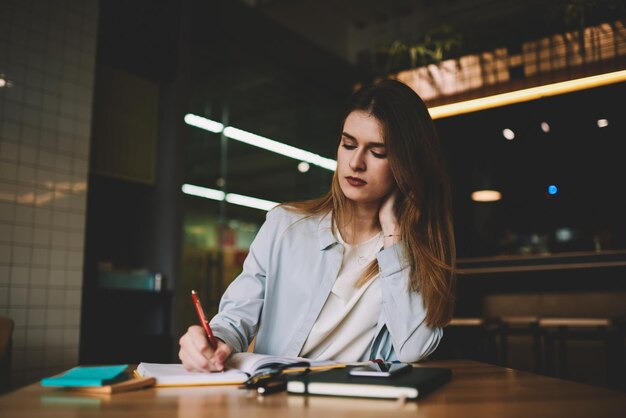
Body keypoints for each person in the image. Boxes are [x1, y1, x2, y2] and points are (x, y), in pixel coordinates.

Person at [179, 79, 456, 372]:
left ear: (406, 163)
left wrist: (393, 232)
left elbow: (414, 348)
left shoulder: (415, 250)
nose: (355, 163)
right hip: (276, 398)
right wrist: (214, 342)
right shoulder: (285, 225)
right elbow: (237, 317)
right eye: (348, 145)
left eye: (377, 152)